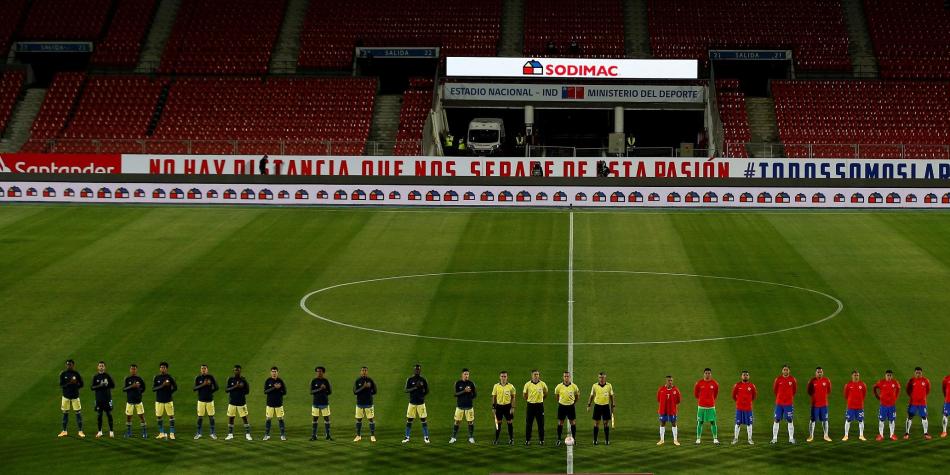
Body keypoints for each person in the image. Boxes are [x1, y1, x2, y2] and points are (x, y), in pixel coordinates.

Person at [403, 364, 430, 444]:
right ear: (414, 370)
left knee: (423, 420)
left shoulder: (423, 379)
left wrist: (422, 395)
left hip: (421, 403)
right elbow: (406, 390)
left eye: (418, 369)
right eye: (416, 369)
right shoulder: (410, 379)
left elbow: (427, 390)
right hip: (412, 403)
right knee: (409, 420)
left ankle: (426, 437)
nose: (417, 370)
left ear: (420, 370)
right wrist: (415, 387)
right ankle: (407, 437)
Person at [58, 359, 85, 438]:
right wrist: (70, 383)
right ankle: (64, 431)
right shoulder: (63, 374)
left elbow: (82, 384)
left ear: (73, 365)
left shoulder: (76, 374)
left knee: (78, 414)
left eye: (70, 364)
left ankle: (80, 431)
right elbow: (61, 385)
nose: (68, 366)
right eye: (67, 364)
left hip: (75, 396)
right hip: (65, 396)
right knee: (65, 414)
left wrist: (76, 385)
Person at [224, 365, 252, 440]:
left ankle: (248, 434)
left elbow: (247, 391)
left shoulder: (243, 380)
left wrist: (241, 387)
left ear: (240, 371)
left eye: (238, 370)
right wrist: (236, 386)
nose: (237, 371)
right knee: (231, 418)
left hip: (241, 402)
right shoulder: (230, 379)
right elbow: (226, 390)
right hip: (232, 402)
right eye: (236, 370)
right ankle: (230, 434)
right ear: (233, 371)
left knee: (244, 418)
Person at [587, 372, 615, 445]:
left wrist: (613, 405)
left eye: (602, 377)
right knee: (596, 424)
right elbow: (591, 395)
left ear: (605, 378)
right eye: (600, 377)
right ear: (598, 378)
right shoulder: (594, 386)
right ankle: (595, 440)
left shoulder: (609, 386)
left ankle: (606, 440)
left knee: (606, 423)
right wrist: (589, 405)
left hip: (606, 406)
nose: (601, 379)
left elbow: (612, 396)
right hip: (597, 406)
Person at [772, 364, 797, 444]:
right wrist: (780, 397)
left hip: (788, 404)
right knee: (776, 419)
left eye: (787, 369)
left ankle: (791, 438)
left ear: (789, 371)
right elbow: (775, 390)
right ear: (782, 371)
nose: (785, 371)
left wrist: (788, 397)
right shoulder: (778, 379)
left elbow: (794, 390)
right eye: (784, 369)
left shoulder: (792, 379)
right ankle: (774, 438)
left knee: (790, 420)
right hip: (779, 403)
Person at [904, 367, 931, 439]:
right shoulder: (911, 380)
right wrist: (913, 396)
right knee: (910, 416)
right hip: (913, 403)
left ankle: (926, 433)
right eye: (917, 373)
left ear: (921, 373)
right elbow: (908, 390)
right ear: (914, 373)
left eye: (919, 373)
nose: (918, 374)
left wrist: (922, 397)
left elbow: (927, 390)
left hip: (922, 403)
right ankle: (906, 433)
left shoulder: (926, 381)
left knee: (924, 417)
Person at [694, 368, 720, 445]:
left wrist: (710, 400)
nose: (707, 374)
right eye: (706, 373)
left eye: (709, 373)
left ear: (711, 374)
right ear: (704, 374)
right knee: (700, 422)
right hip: (701, 406)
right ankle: (698, 439)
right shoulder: (699, 383)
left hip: (711, 406)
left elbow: (715, 395)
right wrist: (702, 399)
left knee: (713, 422)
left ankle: (715, 438)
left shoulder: (715, 384)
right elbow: (696, 395)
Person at [873, 369, 900, 441]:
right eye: (888, 375)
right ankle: (881, 435)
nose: (889, 376)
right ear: (885, 375)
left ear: (892, 376)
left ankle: (892, 435)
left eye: (890, 375)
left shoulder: (895, 382)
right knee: (881, 420)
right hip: (883, 405)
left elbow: (898, 389)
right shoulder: (881, 382)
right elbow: (875, 387)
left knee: (892, 420)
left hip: (892, 406)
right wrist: (877, 396)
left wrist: (895, 398)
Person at [91, 361, 116, 438]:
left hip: (107, 399)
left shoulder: (108, 376)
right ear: (98, 367)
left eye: (102, 366)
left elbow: (113, 385)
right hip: (99, 399)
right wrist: (100, 385)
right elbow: (92, 387)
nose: (101, 367)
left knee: (109, 414)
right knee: (99, 415)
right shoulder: (95, 377)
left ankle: (111, 431)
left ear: (104, 367)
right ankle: (99, 431)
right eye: (100, 366)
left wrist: (107, 384)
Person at [152, 361, 177, 440]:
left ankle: (172, 433)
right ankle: (161, 433)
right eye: (161, 367)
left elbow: (175, 387)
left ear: (167, 369)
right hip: (159, 400)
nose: (162, 369)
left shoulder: (170, 377)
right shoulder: (156, 377)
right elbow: (154, 389)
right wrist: (163, 385)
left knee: (171, 416)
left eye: (164, 367)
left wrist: (169, 393)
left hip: (168, 400)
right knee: (159, 416)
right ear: (160, 368)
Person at [451, 368, 477, 444]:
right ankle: (453, 437)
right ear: (462, 375)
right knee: (457, 422)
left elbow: (475, 395)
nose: (466, 376)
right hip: (460, 406)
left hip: (469, 406)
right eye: (465, 374)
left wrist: (470, 394)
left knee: (470, 422)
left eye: (467, 374)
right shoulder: (458, 383)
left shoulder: (472, 383)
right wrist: (464, 391)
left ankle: (471, 437)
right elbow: (455, 394)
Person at [806, 367, 832, 442]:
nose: (819, 373)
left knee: (825, 420)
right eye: (818, 372)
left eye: (821, 372)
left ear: (822, 373)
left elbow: (829, 391)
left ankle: (826, 435)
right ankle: (811, 436)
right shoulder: (812, 381)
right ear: (816, 373)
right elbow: (809, 391)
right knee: (812, 420)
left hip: (824, 405)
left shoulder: (826, 380)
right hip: (815, 405)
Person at [193, 364, 219, 440]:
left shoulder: (211, 377)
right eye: (202, 368)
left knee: (211, 417)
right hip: (201, 400)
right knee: (200, 417)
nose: (203, 370)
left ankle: (212, 433)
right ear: (200, 370)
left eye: (205, 368)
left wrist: (210, 392)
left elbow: (217, 387)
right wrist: (204, 384)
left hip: (210, 400)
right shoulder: (198, 378)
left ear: (207, 370)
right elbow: (194, 388)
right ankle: (198, 433)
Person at [554, 371, 579, 447]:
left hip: (571, 406)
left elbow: (577, 396)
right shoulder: (559, 386)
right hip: (562, 406)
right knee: (560, 423)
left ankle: (574, 439)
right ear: (563, 377)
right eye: (565, 376)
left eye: (567, 376)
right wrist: (561, 402)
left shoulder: (574, 386)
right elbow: (557, 396)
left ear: (570, 377)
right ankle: (558, 439)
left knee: (573, 423)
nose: (566, 378)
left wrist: (572, 402)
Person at [523, 369, 548, 445]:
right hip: (530, 406)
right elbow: (524, 395)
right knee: (529, 424)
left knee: (541, 424)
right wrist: (530, 400)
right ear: (532, 375)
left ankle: (541, 440)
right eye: (535, 374)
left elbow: (546, 393)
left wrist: (541, 399)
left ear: (539, 375)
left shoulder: (543, 384)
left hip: (539, 406)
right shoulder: (527, 384)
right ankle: (527, 440)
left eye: (537, 374)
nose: (536, 376)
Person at [122, 364, 147, 438]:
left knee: (141, 416)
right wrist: (132, 386)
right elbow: (124, 389)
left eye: (134, 369)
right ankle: (129, 432)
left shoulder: (140, 379)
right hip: (129, 401)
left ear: (136, 370)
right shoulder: (127, 379)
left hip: (138, 401)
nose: (133, 370)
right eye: (132, 369)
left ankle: (144, 432)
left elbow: (144, 388)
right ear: (130, 370)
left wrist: (138, 391)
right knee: (128, 417)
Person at [731, 370, 756, 445]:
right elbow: (733, 395)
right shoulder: (737, 385)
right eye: (744, 375)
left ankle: (750, 439)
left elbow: (754, 396)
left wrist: (748, 402)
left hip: (748, 409)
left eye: (747, 375)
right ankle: (735, 438)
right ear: (741, 376)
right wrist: (739, 401)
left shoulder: (752, 386)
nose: (745, 376)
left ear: (749, 376)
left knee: (749, 424)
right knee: (737, 423)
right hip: (739, 408)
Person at [492, 371, 517, 445]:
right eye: (502, 376)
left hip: (508, 407)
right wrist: (493, 407)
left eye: (505, 376)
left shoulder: (511, 386)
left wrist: (512, 407)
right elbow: (494, 397)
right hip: (499, 407)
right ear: (499, 377)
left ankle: (511, 439)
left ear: (507, 377)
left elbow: (513, 397)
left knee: (510, 423)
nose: (503, 378)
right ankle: (496, 439)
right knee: (498, 423)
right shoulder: (496, 386)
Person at [353, 366, 377, 442]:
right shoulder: (357, 381)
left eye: (365, 370)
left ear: (367, 371)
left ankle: (372, 436)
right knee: (359, 419)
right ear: (360, 372)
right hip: (360, 403)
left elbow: (375, 391)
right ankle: (358, 435)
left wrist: (369, 392)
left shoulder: (370, 380)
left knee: (371, 419)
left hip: (369, 403)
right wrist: (364, 387)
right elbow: (355, 392)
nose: (364, 372)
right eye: (362, 370)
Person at [263, 366, 287, 441]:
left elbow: (285, 392)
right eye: (272, 371)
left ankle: (282, 435)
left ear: (277, 372)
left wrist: (279, 389)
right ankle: (267, 435)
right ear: (270, 372)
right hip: (270, 404)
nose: (274, 373)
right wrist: (274, 388)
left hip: (279, 404)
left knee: (280, 419)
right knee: (268, 419)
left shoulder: (281, 381)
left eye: (275, 371)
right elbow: (265, 391)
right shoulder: (268, 381)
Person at [842, 370, 868, 441]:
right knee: (848, 420)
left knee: (861, 420)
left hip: (860, 407)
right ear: (852, 376)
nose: (856, 377)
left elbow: (864, 394)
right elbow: (845, 395)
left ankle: (861, 435)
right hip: (850, 407)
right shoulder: (848, 385)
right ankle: (846, 435)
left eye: (857, 375)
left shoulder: (863, 385)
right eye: (855, 375)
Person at [310, 366, 333, 441]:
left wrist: (325, 388)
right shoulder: (313, 381)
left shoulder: (326, 381)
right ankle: (314, 436)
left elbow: (330, 392)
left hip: (324, 403)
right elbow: (311, 392)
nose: (318, 373)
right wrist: (320, 388)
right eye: (317, 371)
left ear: (323, 372)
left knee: (326, 419)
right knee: (315, 419)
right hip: (316, 403)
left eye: (320, 371)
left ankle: (328, 435)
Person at [657, 375, 681, 445]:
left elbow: (678, 400)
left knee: (674, 423)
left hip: (672, 410)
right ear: (666, 381)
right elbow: (658, 399)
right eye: (668, 380)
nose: (670, 382)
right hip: (663, 410)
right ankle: (661, 440)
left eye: (671, 380)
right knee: (662, 423)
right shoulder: (661, 389)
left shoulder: (676, 390)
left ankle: (675, 440)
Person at [941, 372, 950, 438]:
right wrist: (946, 396)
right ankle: (944, 431)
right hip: (948, 401)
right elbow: (944, 389)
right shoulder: (946, 379)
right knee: (945, 415)